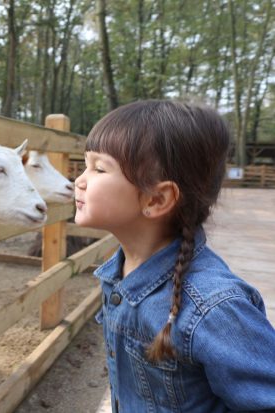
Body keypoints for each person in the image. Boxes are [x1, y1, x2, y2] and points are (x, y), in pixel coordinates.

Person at [74, 100, 275, 412]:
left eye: (99, 168)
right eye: (85, 164)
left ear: (157, 199)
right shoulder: (120, 272)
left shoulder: (213, 308)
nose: (80, 180)